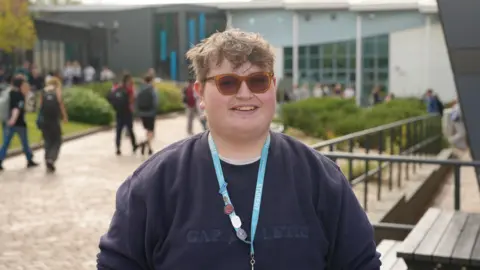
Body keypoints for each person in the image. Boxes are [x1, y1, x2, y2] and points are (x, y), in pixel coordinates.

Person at [96, 29, 380, 269]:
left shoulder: (320, 177)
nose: (245, 93)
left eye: (258, 80)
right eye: (228, 82)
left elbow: (361, 263)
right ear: (199, 94)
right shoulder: (155, 182)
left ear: (273, 87)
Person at [0, 77, 38, 170]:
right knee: (24, 142)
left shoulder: (9, 93)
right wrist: (12, 120)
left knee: (6, 143)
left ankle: (0, 160)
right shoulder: (18, 95)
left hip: (7, 122)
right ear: (20, 85)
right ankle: (30, 160)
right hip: (18, 123)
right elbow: (16, 108)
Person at [37, 77, 68, 172]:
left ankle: (47, 158)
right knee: (57, 140)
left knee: (47, 140)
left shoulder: (43, 91)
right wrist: (64, 116)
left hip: (45, 120)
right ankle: (51, 158)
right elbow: (60, 104)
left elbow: (40, 106)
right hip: (54, 120)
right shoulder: (57, 91)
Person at [107, 73, 138, 155]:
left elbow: (111, 95)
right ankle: (134, 146)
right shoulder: (130, 89)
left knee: (118, 131)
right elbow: (133, 99)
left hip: (119, 113)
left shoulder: (117, 88)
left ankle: (118, 148)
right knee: (130, 130)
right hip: (127, 112)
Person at [135, 75, 158, 156]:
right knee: (151, 131)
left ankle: (147, 146)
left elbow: (136, 100)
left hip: (142, 113)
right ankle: (146, 143)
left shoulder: (140, 89)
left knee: (147, 130)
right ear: (151, 81)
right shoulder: (152, 89)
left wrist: (138, 112)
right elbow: (155, 101)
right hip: (151, 113)